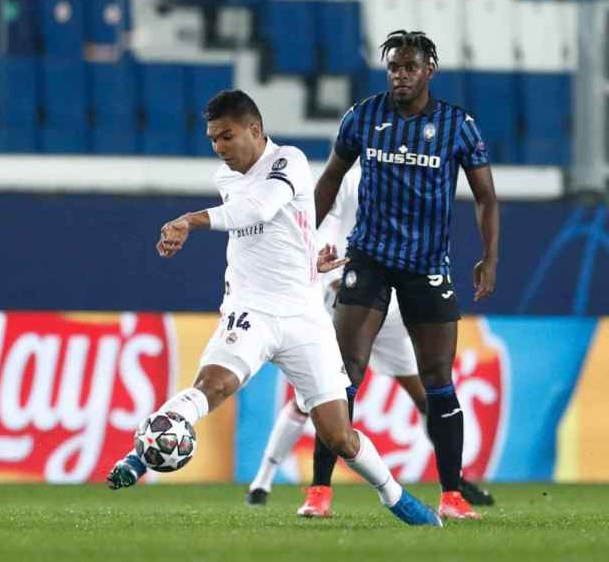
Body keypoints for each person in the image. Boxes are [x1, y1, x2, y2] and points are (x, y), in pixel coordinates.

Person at [104, 90, 441, 527]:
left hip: (304, 318)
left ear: (255, 130)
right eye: (212, 139)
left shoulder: (290, 161)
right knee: (214, 385)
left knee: (339, 436)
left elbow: (262, 208)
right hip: (251, 311)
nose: (219, 148)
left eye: (227, 136)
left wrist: (190, 220)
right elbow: (264, 224)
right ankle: (139, 455)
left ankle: (394, 497)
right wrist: (306, 257)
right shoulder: (226, 179)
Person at [312, 30, 500, 520]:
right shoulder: (364, 115)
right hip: (369, 260)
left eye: (409, 66)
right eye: (394, 66)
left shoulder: (458, 126)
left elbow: (485, 197)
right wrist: (302, 239)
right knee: (342, 374)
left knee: (438, 379)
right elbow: (331, 177)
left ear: (428, 71)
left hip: (425, 267)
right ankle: (319, 492)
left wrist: (489, 256)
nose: (400, 74)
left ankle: (453, 496)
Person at [245, 171, 495, 515]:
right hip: (349, 296)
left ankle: (454, 482)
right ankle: (279, 483)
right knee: (319, 397)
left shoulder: (414, 166)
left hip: (392, 307)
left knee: (426, 394)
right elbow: (324, 221)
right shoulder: (353, 172)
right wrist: (331, 278)